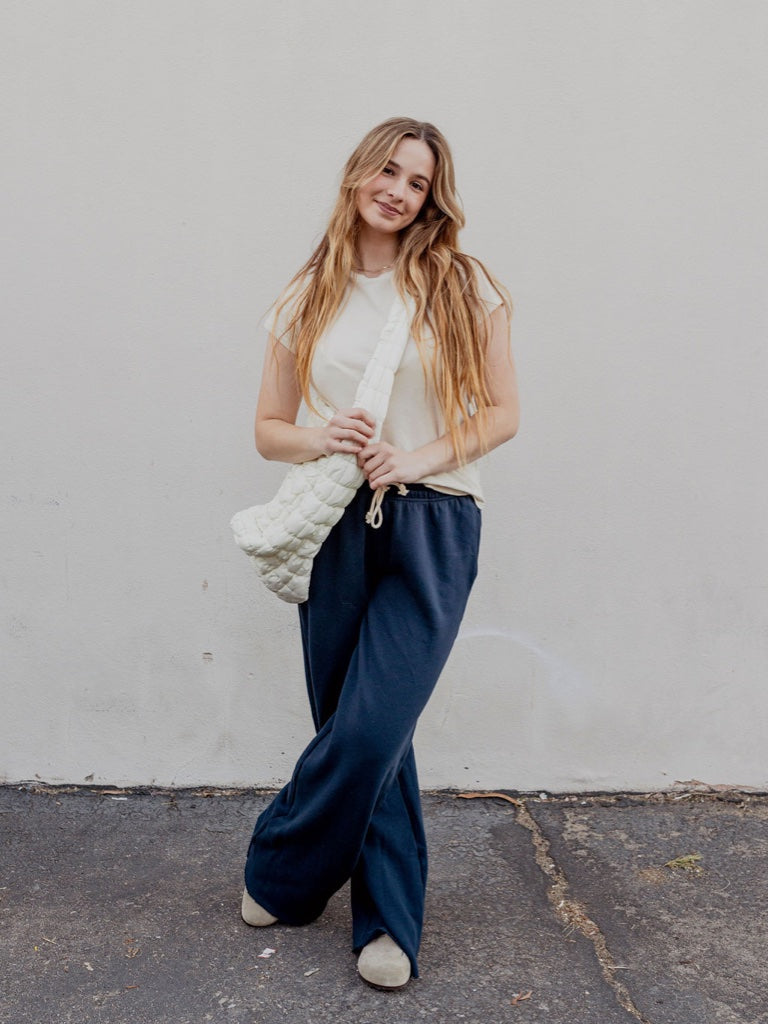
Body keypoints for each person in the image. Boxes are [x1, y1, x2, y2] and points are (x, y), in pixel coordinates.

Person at [239, 117, 519, 990]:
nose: (398, 191)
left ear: (433, 198)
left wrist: (418, 458)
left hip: (434, 518)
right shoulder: (306, 294)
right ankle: (386, 925)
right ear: (359, 173)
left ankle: (280, 868)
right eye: (388, 171)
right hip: (336, 520)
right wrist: (322, 437)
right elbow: (269, 430)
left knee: (371, 727)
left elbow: (502, 412)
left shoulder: (463, 285)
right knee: (358, 727)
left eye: (418, 181)